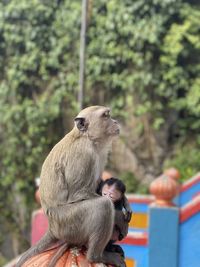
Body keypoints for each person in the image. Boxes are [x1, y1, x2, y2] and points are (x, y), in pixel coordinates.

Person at [98, 177, 132, 258]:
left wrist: (127, 206)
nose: (107, 198)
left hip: (112, 232)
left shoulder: (119, 202)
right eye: (105, 194)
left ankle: (108, 246)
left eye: (111, 196)